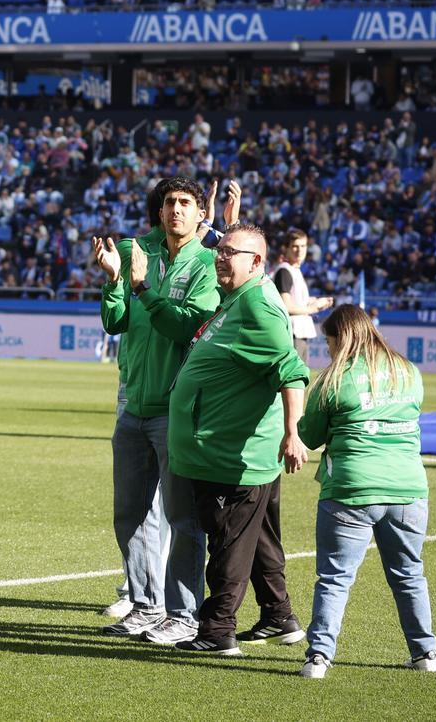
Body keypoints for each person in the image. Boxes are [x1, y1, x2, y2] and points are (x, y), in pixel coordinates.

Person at [168, 224, 310, 655]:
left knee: (228, 543)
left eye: (231, 252)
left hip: (235, 456)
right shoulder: (237, 297)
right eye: (221, 250)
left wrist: (293, 432)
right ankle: (278, 616)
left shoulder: (258, 307)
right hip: (227, 452)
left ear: (257, 262)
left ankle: (217, 631)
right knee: (258, 539)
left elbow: (291, 371)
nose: (221, 257)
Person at [92, 177, 221, 645]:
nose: (176, 210)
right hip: (134, 405)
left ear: (200, 213)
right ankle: (146, 606)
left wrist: (143, 287)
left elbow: (188, 327)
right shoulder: (139, 256)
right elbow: (115, 322)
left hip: (176, 409)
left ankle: (184, 614)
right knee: (130, 515)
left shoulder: (206, 264)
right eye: (169, 202)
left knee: (182, 518)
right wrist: (114, 282)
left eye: (185, 203)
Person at [296, 305, 436, 678]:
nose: (328, 351)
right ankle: (426, 654)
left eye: (329, 343)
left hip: (350, 488)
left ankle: (319, 658)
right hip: (407, 488)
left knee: (335, 578)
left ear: (340, 338)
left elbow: (309, 436)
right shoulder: (408, 371)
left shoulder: (333, 379)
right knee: (409, 574)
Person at [273, 230, 333, 364]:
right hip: (292, 333)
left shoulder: (295, 270)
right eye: (295, 246)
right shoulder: (284, 271)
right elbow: (286, 306)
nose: (299, 250)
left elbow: (296, 299)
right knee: (294, 374)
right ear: (286, 248)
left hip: (299, 332)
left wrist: (315, 302)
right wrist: (313, 308)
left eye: (303, 246)